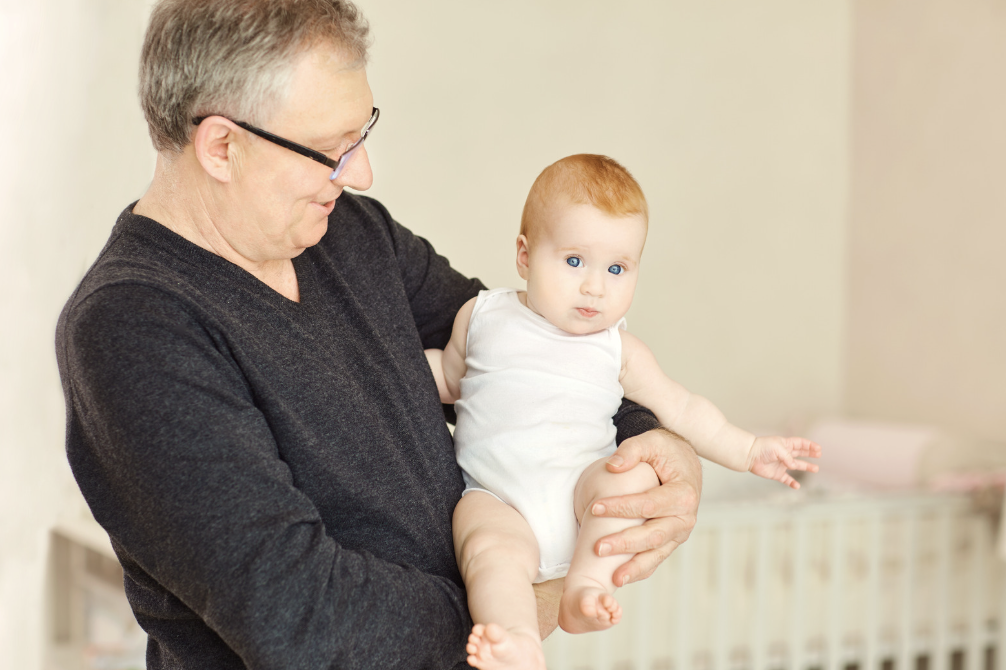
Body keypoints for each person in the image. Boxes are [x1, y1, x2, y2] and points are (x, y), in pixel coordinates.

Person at [54, 2, 702, 668]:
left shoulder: (354, 235)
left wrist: (653, 443)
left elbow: (529, 346)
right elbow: (303, 619)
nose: (361, 173)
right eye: (333, 149)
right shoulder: (131, 328)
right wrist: (519, 605)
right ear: (222, 146)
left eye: (361, 134)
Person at [425, 154, 822, 670]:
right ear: (524, 255)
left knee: (632, 474)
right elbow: (447, 378)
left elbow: (681, 407)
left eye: (617, 268)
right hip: (499, 500)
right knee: (486, 553)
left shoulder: (618, 349)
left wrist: (748, 450)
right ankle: (517, 640)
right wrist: (379, 367)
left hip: (583, 499)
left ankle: (584, 589)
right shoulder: (482, 316)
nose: (595, 287)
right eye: (574, 261)